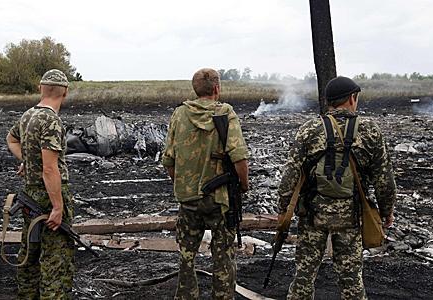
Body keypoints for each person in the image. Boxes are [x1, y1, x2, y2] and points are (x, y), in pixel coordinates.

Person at [277, 76, 397, 299]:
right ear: (352, 98)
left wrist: (283, 208)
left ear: (329, 102)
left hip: (312, 215)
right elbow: (384, 179)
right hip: (350, 218)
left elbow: (290, 175)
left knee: (304, 276)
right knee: (351, 279)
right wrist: (386, 212)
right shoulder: (370, 131)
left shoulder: (309, 129)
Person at [162, 68, 249, 299]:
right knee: (223, 257)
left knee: (187, 257)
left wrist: (181, 183)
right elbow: (239, 156)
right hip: (220, 201)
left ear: (195, 89)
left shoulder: (179, 114)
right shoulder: (226, 113)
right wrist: (243, 185)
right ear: (217, 88)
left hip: (188, 201)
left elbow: (168, 160)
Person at [6, 69, 75, 299]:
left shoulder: (28, 115)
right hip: (47, 196)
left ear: (40, 88)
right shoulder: (51, 120)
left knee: (30, 252)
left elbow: (12, 139)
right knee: (56, 258)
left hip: (29, 194)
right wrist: (57, 206)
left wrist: (27, 160)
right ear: (64, 92)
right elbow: (49, 168)